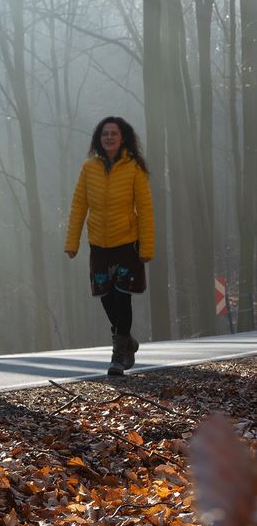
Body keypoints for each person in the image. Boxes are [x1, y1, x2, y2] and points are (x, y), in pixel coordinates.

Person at [64, 116, 154, 377]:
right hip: (99, 245)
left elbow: (145, 210)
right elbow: (79, 205)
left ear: (123, 137)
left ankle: (119, 355)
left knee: (122, 295)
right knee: (105, 297)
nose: (110, 137)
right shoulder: (89, 167)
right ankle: (126, 339)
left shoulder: (134, 168)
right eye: (105, 134)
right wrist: (72, 242)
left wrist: (146, 247)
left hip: (128, 243)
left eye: (114, 133)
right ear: (99, 138)